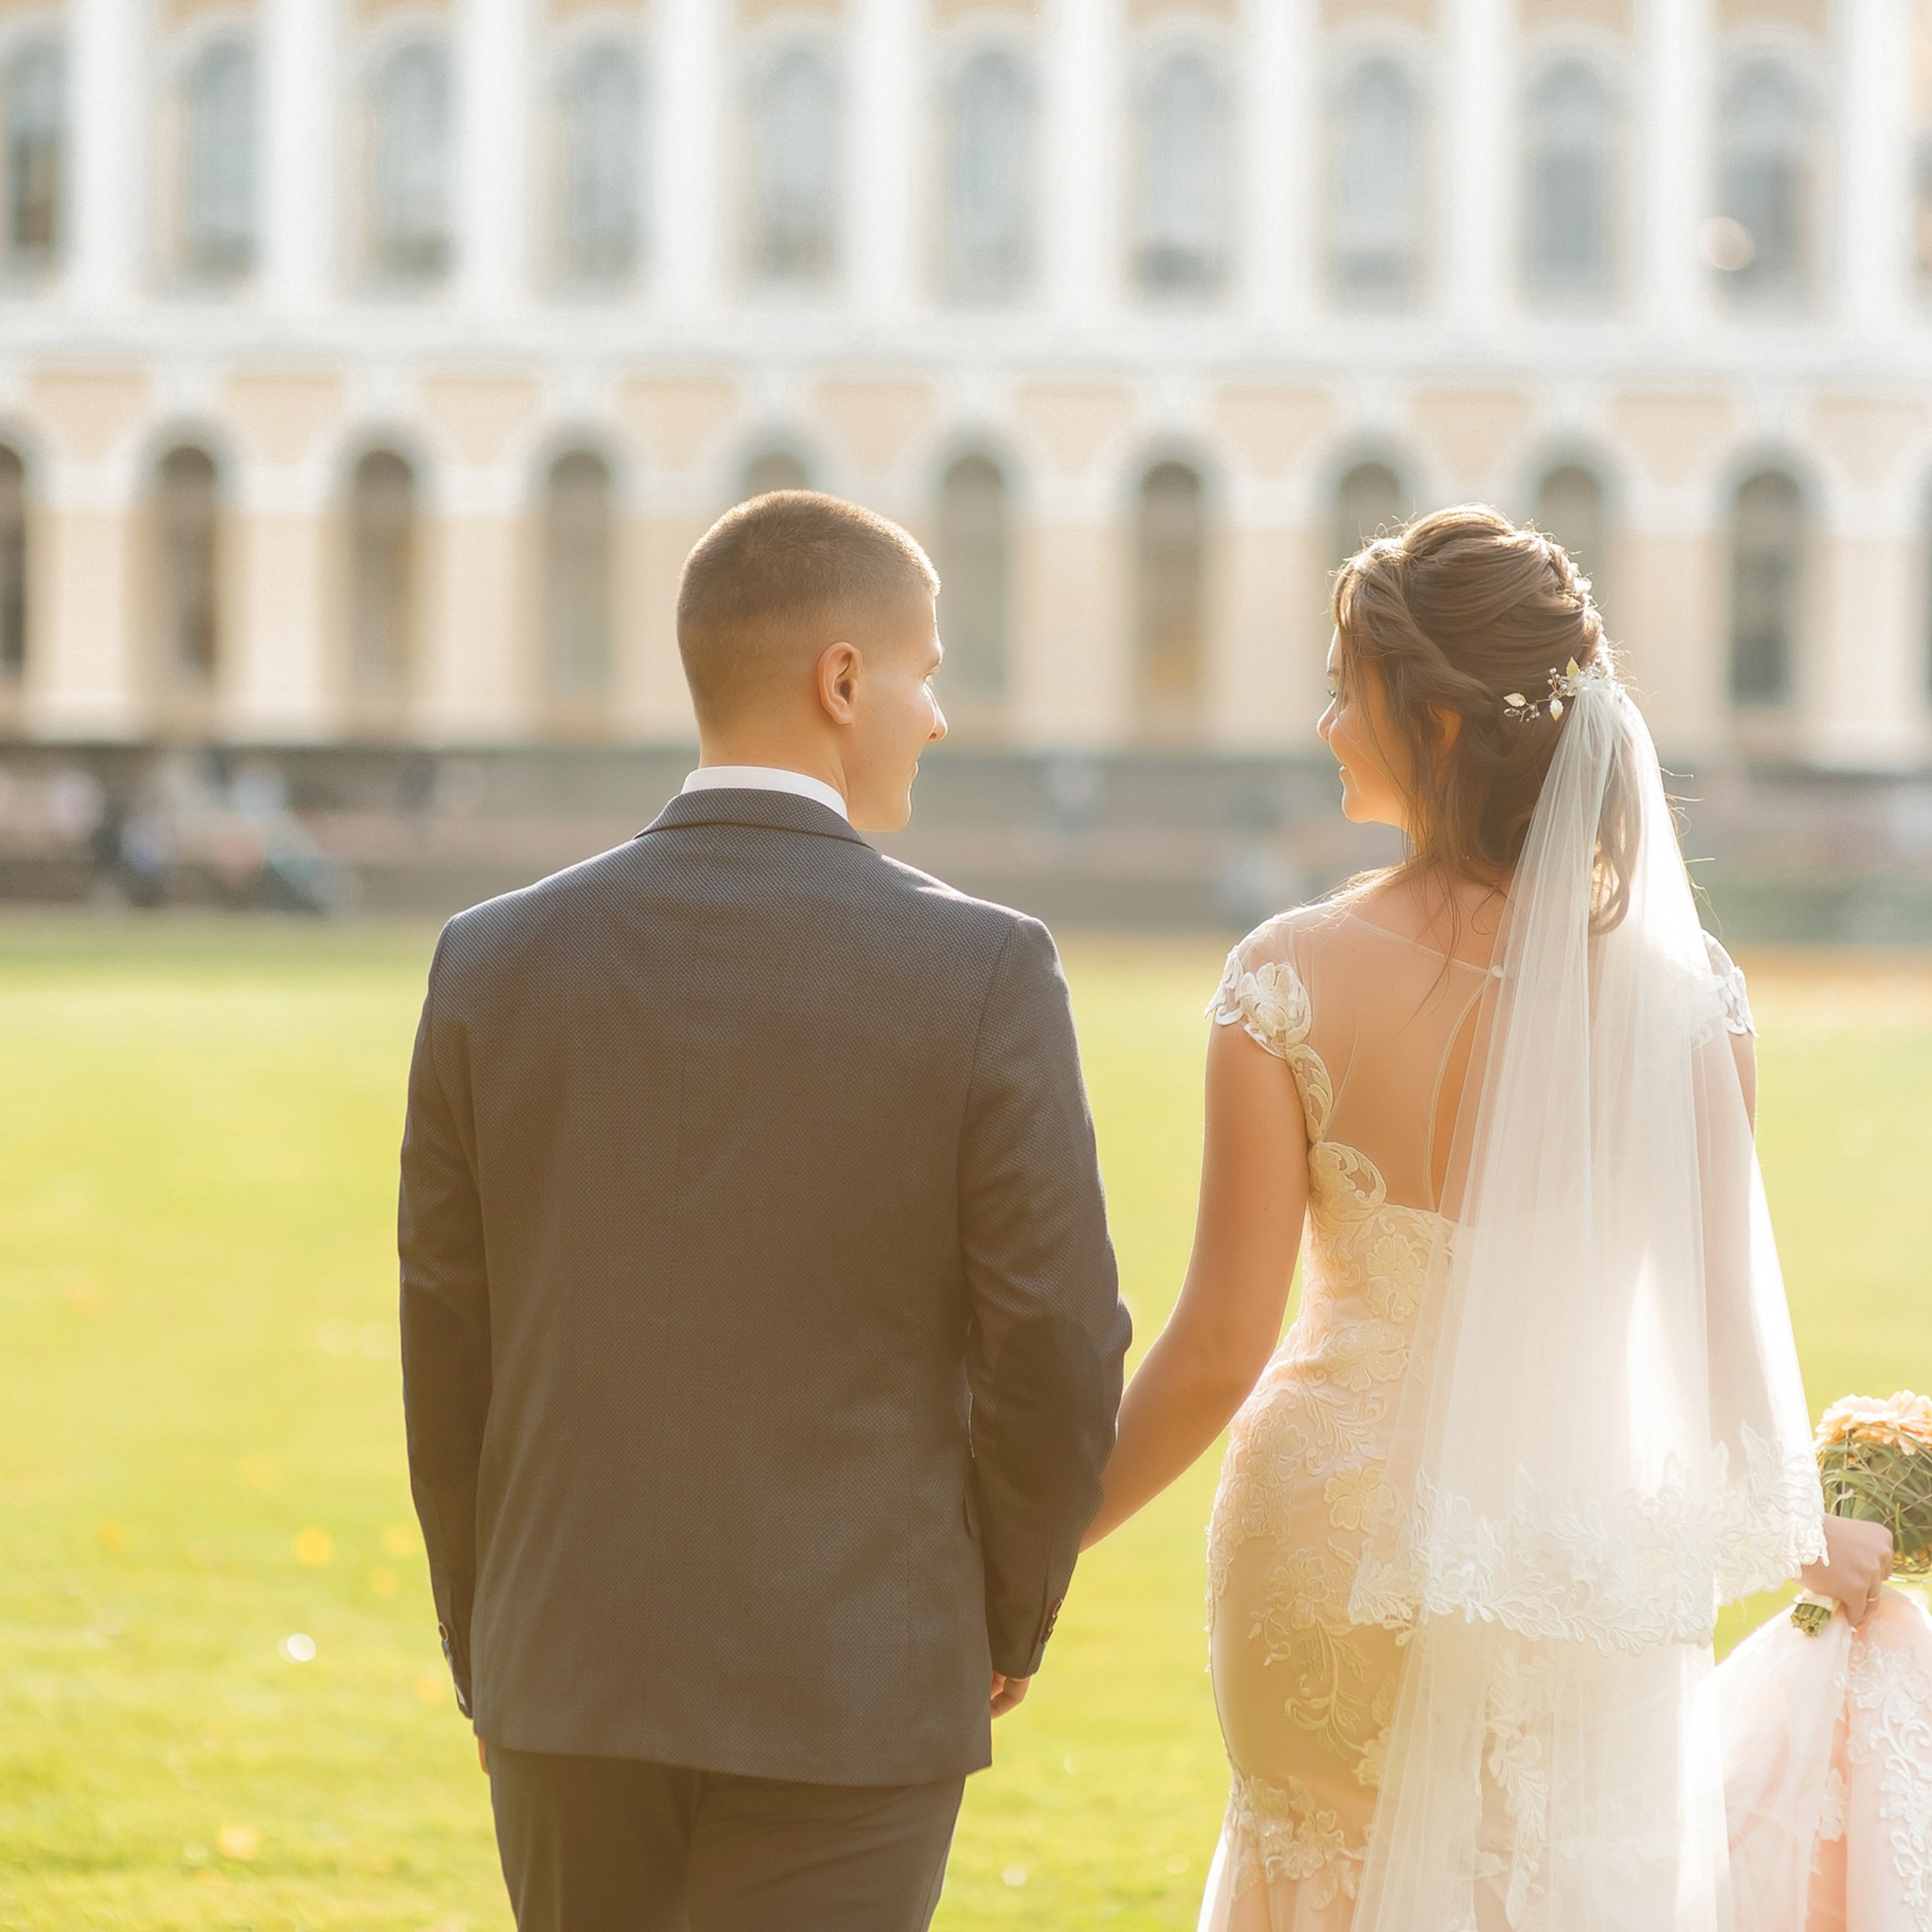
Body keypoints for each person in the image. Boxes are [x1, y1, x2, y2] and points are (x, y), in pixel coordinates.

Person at [1082, 506, 1894, 1931]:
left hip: (1330, 1554)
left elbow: (1219, 1346)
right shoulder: (1683, 998)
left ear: (1440, 724)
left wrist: (1046, 1540)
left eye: (1350, 687)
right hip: (1574, 1558)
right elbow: (1710, 1327)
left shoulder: (1286, 978)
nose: (1329, 721)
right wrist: (1797, 1521)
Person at [398, 490, 1130, 1932]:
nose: (935, 715)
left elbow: (448, 1343)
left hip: (570, 1668)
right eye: (925, 670)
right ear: (843, 679)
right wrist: (1006, 1608)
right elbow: (1056, 1337)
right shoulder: (983, 970)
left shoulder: (489, 959)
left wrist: (492, 1636)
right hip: (858, 1669)